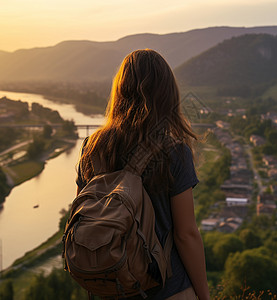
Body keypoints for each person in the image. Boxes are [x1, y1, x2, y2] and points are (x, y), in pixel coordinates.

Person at [75, 49, 210, 300]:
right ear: (167, 94)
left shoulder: (92, 148)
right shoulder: (174, 151)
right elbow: (186, 234)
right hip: (166, 289)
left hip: (109, 287)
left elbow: (83, 216)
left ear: (120, 91)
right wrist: (204, 296)